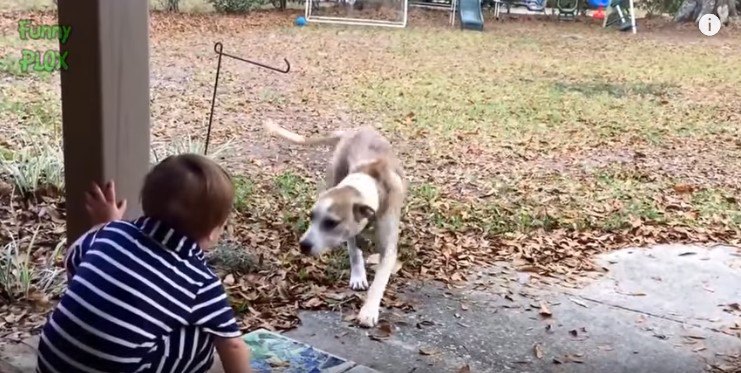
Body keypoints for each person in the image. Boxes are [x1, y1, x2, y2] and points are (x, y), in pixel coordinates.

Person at [36, 154, 252, 373]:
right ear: (212, 231)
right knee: (202, 336)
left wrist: (103, 225)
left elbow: (73, 260)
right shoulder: (200, 282)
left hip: (51, 365)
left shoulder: (110, 232)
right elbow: (233, 345)